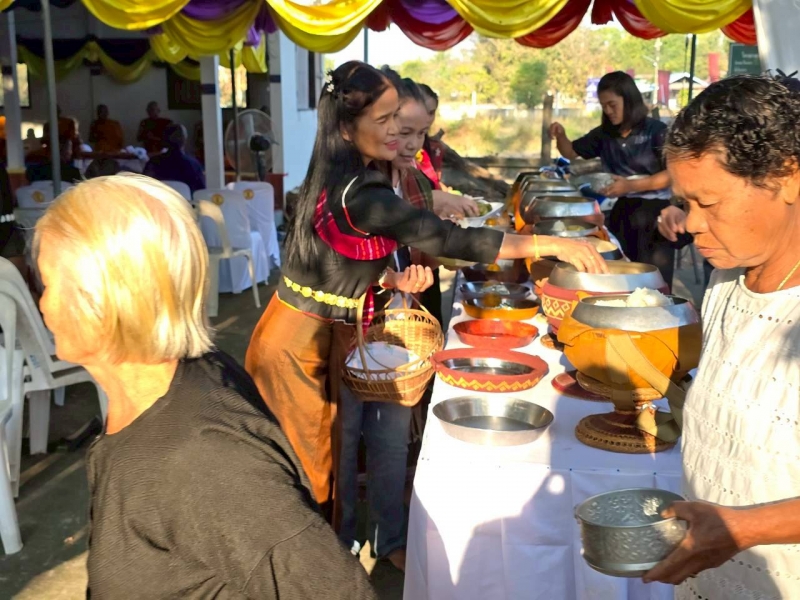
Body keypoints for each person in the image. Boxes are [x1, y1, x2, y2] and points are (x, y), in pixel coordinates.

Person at [245, 61, 606, 525]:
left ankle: (339, 541)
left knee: (330, 455)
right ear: (346, 129)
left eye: (397, 117)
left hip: (319, 331)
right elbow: (445, 238)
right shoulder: (359, 191)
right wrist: (547, 244)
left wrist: (390, 280)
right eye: (384, 120)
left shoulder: (347, 173)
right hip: (299, 344)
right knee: (312, 465)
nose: (396, 132)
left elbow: (338, 260)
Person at [33, 174, 378, 599]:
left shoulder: (201, 458)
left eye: (47, 284)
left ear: (102, 300)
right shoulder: (169, 389)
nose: (41, 303)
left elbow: (336, 590)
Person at [641, 75, 800, 599]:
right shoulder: (727, 282)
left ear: (787, 178)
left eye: (709, 203)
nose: (692, 224)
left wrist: (744, 528)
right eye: (685, 203)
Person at [550, 71, 676, 286]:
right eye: (604, 106)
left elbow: (672, 174)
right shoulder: (604, 134)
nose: (608, 111)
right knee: (620, 277)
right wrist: (561, 135)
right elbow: (569, 152)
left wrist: (630, 186)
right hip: (621, 211)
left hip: (655, 213)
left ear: (629, 100)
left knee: (654, 281)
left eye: (612, 105)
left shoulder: (656, 131)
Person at [143, 124, 206, 193]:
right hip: (184, 199)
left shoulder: (153, 163)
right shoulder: (194, 164)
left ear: (165, 140)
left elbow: (143, 187)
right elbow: (201, 191)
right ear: (184, 140)